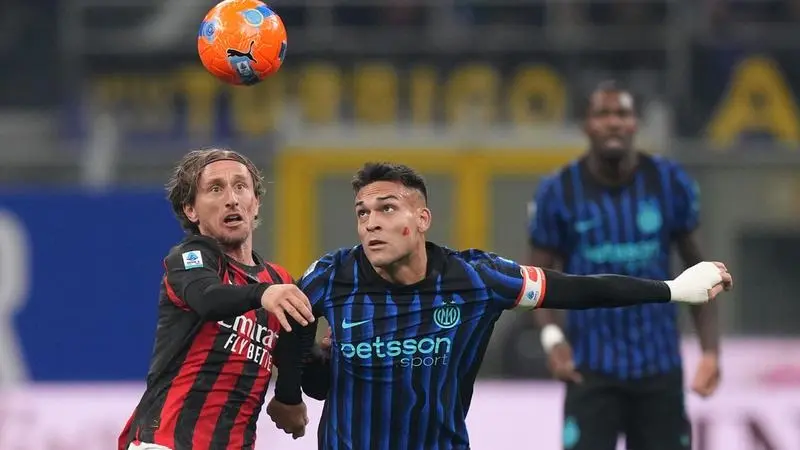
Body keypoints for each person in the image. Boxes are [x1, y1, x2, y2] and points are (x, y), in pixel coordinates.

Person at [264, 161, 732, 450]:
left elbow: (577, 289)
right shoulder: (334, 274)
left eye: (387, 209)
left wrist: (671, 289)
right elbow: (291, 323)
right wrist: (289, 394)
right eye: (363, 213)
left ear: (422, 219)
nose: (371, 223)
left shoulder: (475, 278)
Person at [527, 80, 720, 450]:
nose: (613, 122)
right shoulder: (557, 191)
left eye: (622, 113)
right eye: (603, 114)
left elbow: (700, 271)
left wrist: (710, 352)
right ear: (586, 125)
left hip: (659, 370)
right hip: (589, 369)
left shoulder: (669, 182)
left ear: (635, 124)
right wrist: (553, 340)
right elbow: (536, 280)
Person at [118, 148, 323, 450]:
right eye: (215, 189)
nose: (231, 199)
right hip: (165, 443)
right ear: (191, 209)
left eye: (240, 186)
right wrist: (263, 293)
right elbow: (208, 298)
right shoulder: (190, 258)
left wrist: (296, 390)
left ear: (256, 203)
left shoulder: (278, 280)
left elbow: (303, 362)